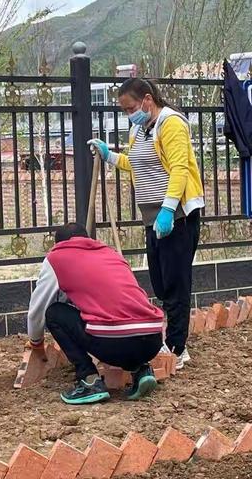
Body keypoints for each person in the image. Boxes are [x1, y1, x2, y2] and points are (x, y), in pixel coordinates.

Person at [89, 78, 204, 369]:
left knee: (176, 283)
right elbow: (136, 163)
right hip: (152, 215)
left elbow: (179, 168)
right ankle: (169, 341)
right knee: (161, 282)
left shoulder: (172, 124)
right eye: (125, 110)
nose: (129, 113)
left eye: (130, 107)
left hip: (176, 215)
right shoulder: (139, 129)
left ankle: (177, 348)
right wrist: (110, 155)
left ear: (148, 100)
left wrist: (168, 209)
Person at [27, 223, 163, 405]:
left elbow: (38, 308)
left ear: (58, 244)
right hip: (152, 340)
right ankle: (141, 371)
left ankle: (89, 380)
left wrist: (36, 342)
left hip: (114, 344)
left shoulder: (57, 258)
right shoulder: (111, 253)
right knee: (119, 320)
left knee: (54, 313)